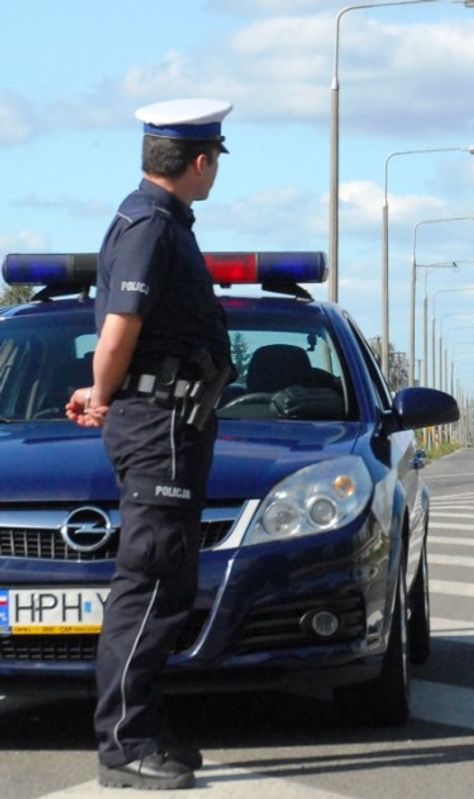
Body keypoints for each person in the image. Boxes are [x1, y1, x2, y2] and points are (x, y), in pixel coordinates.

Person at [65, 98, 235, 790]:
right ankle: (126, 743)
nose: (215, 168)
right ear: (200, 162)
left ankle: (147, 725)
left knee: (168, 581)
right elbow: (119, 331)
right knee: (150, 579)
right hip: (159, 425)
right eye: (216, 158)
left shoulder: (159, 223)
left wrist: (103, 389)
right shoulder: (149, 227)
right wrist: (103, 393)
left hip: (172, 424)